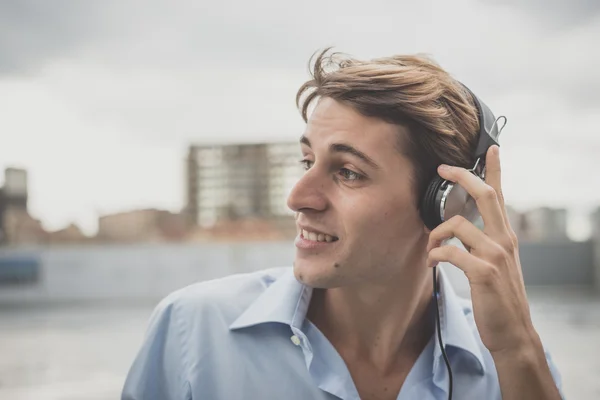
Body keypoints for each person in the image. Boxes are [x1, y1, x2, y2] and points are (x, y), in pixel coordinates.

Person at [121, 49, 564, 400]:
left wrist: (517, 352)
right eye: (307, 160)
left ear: (443, 206)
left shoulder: (516, 365)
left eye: (348, 172)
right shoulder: (192, 331)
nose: (296, 197)